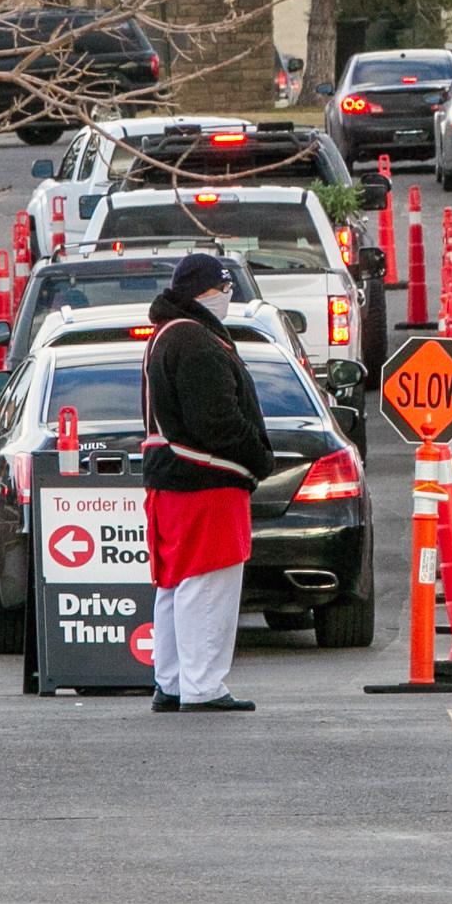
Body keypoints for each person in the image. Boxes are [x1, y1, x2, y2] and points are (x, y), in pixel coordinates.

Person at [140, 253, 274, 713]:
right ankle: (204, 686)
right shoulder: (195, 341)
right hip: (206, 479)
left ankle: (172, 681)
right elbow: (216, 420)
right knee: (207, 584)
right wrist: (259, 457)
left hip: (173, 480)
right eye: (223, 288)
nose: (227, 297)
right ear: (202, 291)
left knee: (175, 584)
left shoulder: (168, 335)